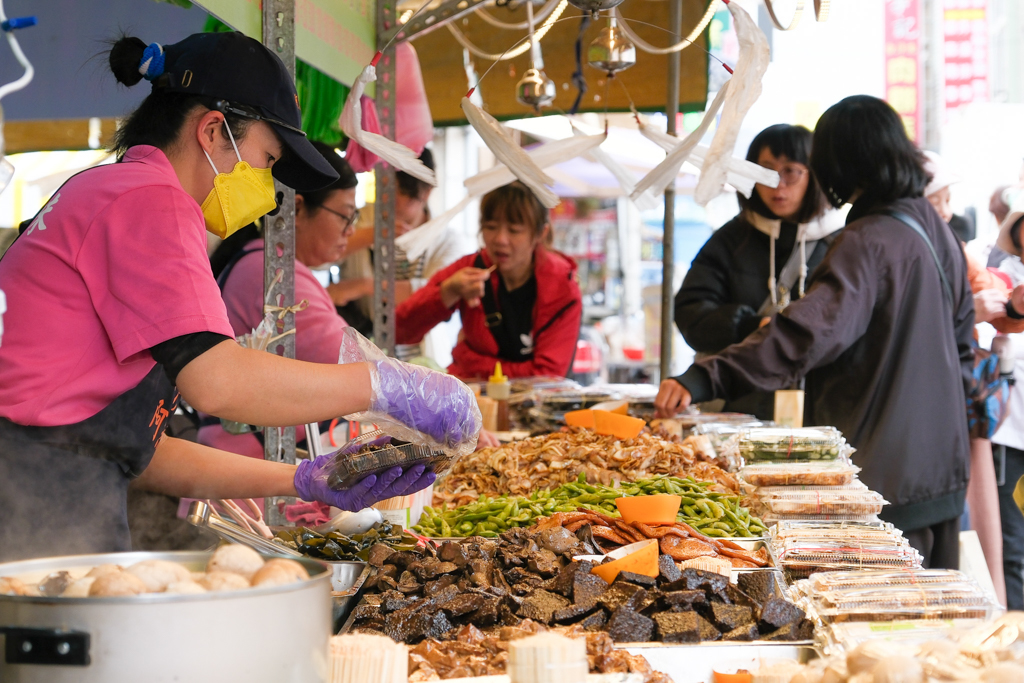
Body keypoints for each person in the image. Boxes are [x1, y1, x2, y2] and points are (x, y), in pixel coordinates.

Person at [0, 32, 479, 562]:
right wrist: (385, 385)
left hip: (52, 491)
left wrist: (305, 478)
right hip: (30, 504)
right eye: (267, 161)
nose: (269, 188)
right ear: (212, 130)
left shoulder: (109, 192)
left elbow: (134, 449)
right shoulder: (148, 201)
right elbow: (220, 383)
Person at [655, 95, 974, 569]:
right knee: (928, 628)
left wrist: (704, 378)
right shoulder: (931, 227)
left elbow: (805, 334)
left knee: (870, 625)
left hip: (882, 480)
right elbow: (964, 344)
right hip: (942, 469)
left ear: (838, 162)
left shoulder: (866, 241)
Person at [674, 124, 840, 419]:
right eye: (765, 170)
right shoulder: (729, 241)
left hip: (818, 408)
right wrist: (749, 327)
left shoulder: (838, 244)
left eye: (791, 170)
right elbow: (690, 314)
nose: (778, 184)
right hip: (737, 406)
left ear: (813, 175)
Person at [923, 152, 1024, 604]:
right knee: (1008, 544)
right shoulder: (969, 256)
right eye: (938, 199)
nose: (945, 211)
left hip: (993, 422)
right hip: (1001, 428)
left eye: (947, 201)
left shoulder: (960, 255)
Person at [395, 181, 583, 379]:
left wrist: (468, 359)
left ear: (539, 234)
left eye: (514, 230)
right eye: (491, 227)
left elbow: (547, 376)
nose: (500, 239)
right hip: (475, 403)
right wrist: (447, 292)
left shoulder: (563, 288)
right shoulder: (469, 268)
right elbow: (399, 329)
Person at [330, 150, 473, 359]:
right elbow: (321, 255)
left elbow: (437, 292)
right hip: (359, 349)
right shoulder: (359, 219)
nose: (388, 198)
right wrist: (372, 234)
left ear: (426, 192)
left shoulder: (447, 240)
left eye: (401, 191)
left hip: (422, 356)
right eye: (384, 187)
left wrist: (363, 286)